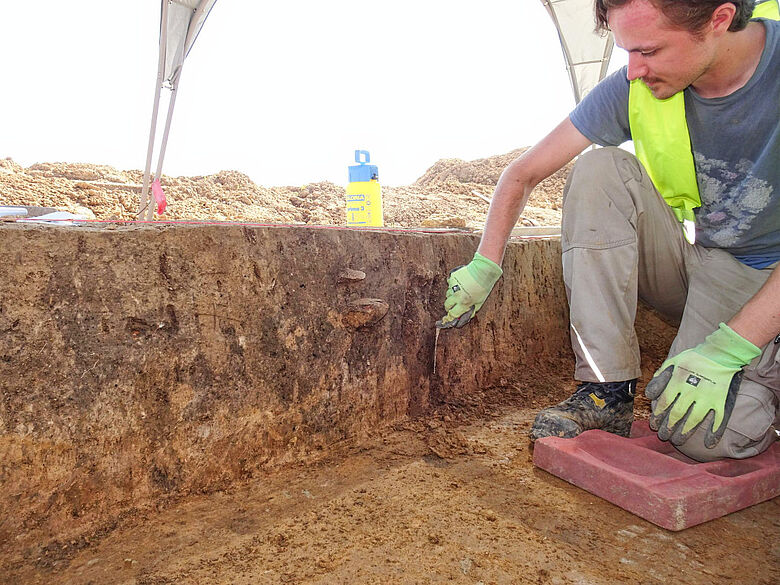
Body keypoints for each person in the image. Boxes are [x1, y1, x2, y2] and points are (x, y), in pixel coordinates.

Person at [437, 0, 779, 462]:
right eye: (627, 52)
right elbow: (521, 174)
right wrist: (485, 264)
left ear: (719, 20)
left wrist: (728, 350)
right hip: (715, 264)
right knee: (599, 168)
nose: (634, 70)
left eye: (649, 51)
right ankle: (606, 391)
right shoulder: (638, 84)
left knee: (703, 436)